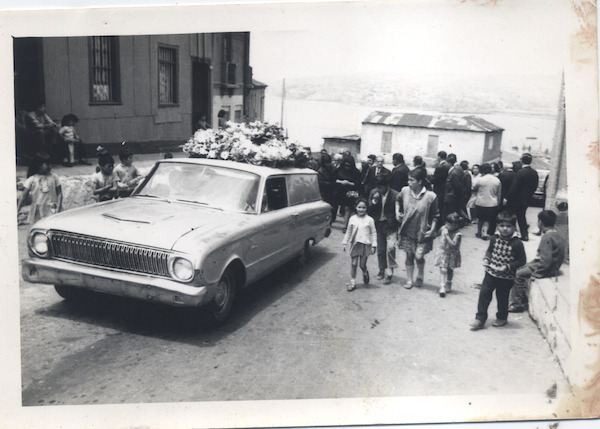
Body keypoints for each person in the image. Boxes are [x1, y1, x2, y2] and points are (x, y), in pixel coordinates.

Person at [470, 211, 527, 330]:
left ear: (514, 227)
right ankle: (480, 318)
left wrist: (507, 266)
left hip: (506, 277)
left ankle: (502, 317)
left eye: (508, 226)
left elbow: (522, 260)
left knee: (502, 297)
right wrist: (487, 259)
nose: (505, 229)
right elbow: (490, 251)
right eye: (502, 226)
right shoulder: (494, 238)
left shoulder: (517, 243)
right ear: (497, 226)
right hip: (491, 273)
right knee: (484, 294)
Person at [508, 210, 566, 313]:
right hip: (553, 266)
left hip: (547, 268)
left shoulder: (547, 238)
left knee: (518, 274)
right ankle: (522, 297)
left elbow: (546, 261)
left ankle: (517, 304)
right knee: (522, 267)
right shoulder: (557, 235)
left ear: (540, 222)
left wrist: (537, 274)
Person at [395, 167, 440, 289]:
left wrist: (432, 230)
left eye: (411, 180)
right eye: (408, 180)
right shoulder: (405, 191)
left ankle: (420, 274)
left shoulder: (431, 196)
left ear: (420, 182)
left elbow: (436, 215)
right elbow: (397, 200)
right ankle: (409, 280)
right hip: (407, 230)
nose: (408, 183)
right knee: (409, 255)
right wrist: (397, 212)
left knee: (419, 256)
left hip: (423, 232)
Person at [368, 177, 399, 284]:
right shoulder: (374, 193)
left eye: (381, 187)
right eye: (377, 187)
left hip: (390, 225)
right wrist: (374, 201)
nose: (379, 189)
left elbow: (398, 212)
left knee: (390, 248)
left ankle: (390, 271)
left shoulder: (395, 195)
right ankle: (381, 270)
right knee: (381, 249)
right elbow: (369, 210)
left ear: (387, 186)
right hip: (379, 224)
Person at [17, 151, 62, 225]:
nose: (50, 166)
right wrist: (18, 210)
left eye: (51, 164)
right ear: (39, 165)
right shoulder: (32, 179)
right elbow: (24, 196)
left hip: (52, 209)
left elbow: (59, 193)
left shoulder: (54, 177)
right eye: (47, 164)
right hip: (37, 211)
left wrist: (59, 207)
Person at [342, 198, 377, 291]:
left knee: (362, 265)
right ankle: (352, 283)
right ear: (355, 207)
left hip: (365, 244)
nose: (361, 209)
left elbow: (373, 233)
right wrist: (345, 242)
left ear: (367, 208)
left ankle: (365, 272)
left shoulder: (370, 220)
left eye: (364, 208)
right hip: (355, 244)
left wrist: (374, 245)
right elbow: (348, 231)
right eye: (359, 207)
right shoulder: (352, 219)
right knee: (354, 264)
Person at [505, 153, 539, 241]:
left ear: (521, 161)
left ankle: (512, 233)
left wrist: (507, 198)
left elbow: (514, 187)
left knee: (511, 216)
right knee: (521, 216)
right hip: (527, 199)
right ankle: (525, 235)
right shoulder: (534, 173)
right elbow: (535, 186)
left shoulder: (520, 172)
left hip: (516, 199)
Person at [433, 212, 463, 297]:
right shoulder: (444, 228)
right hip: (443, 252)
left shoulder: (458, 234)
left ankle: (449, 282)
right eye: (446, 223)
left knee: (450, 270)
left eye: (449, 224)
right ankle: (442, 286)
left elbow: (454, 245)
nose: (446, 225)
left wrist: (447, 236)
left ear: (456, 225)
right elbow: (437, 233)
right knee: (443, 269)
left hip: (452, 254)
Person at [334, 155, 364, 233]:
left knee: (348, 209)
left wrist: (348, 183)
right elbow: (333, 179)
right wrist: (341, 182)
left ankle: (346, 226)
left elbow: (358, 184)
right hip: (338, 191)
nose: (347, 167)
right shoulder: (339, 170)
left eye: (349, 166)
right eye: (346, 165)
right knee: (334, 207)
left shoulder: (356, 172)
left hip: (349, 192)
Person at [473, 163, 501, 240]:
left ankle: (479, 232)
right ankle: (484, 232)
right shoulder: (497, 180)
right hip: (492, 203)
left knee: (480, 218)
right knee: (487, 219)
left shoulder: (480, 179)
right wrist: (498, 204)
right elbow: (499, 193)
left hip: (480, 202)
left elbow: (474, 188)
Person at [442, 153, 465, 221]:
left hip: (451, 198)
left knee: (450, 216)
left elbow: (457, 186)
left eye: (445, 163)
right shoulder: (457, 169)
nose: (445, 164)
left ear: (449, 163)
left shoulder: (453, 173)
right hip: (451, 198)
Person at [317, 153, 336, 223]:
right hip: (324, 191)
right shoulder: (320, 171)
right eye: (326, 163)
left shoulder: (333, 168)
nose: (328, 164)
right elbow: (321, 182)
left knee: (333, 207)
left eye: (329, 162)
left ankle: (331, 220)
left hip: (333, 191)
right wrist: (332, 183)